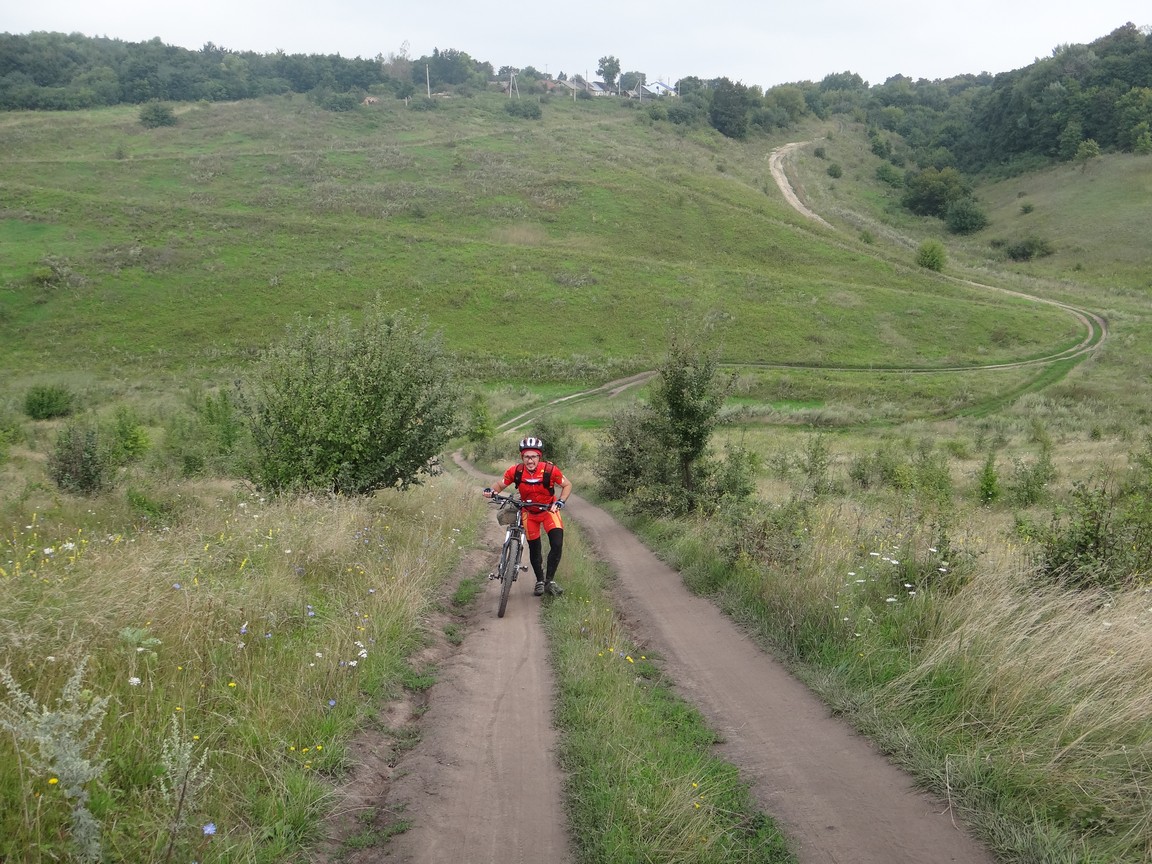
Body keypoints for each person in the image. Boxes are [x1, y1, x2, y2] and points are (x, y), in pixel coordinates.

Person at [483, 436, 573, 597]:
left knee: (557, 544)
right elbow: (499, 485)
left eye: (533, 456)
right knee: (534, 547)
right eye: (526, 456)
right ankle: (539, 581)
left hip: (548, 512)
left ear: (539, 457)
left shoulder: (551, 470)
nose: (530, 460)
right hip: (528, 513)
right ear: (522, 457)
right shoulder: (516, 471)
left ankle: (549, 581)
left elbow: (567, 485)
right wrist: (491, 491)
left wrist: (560, 502)